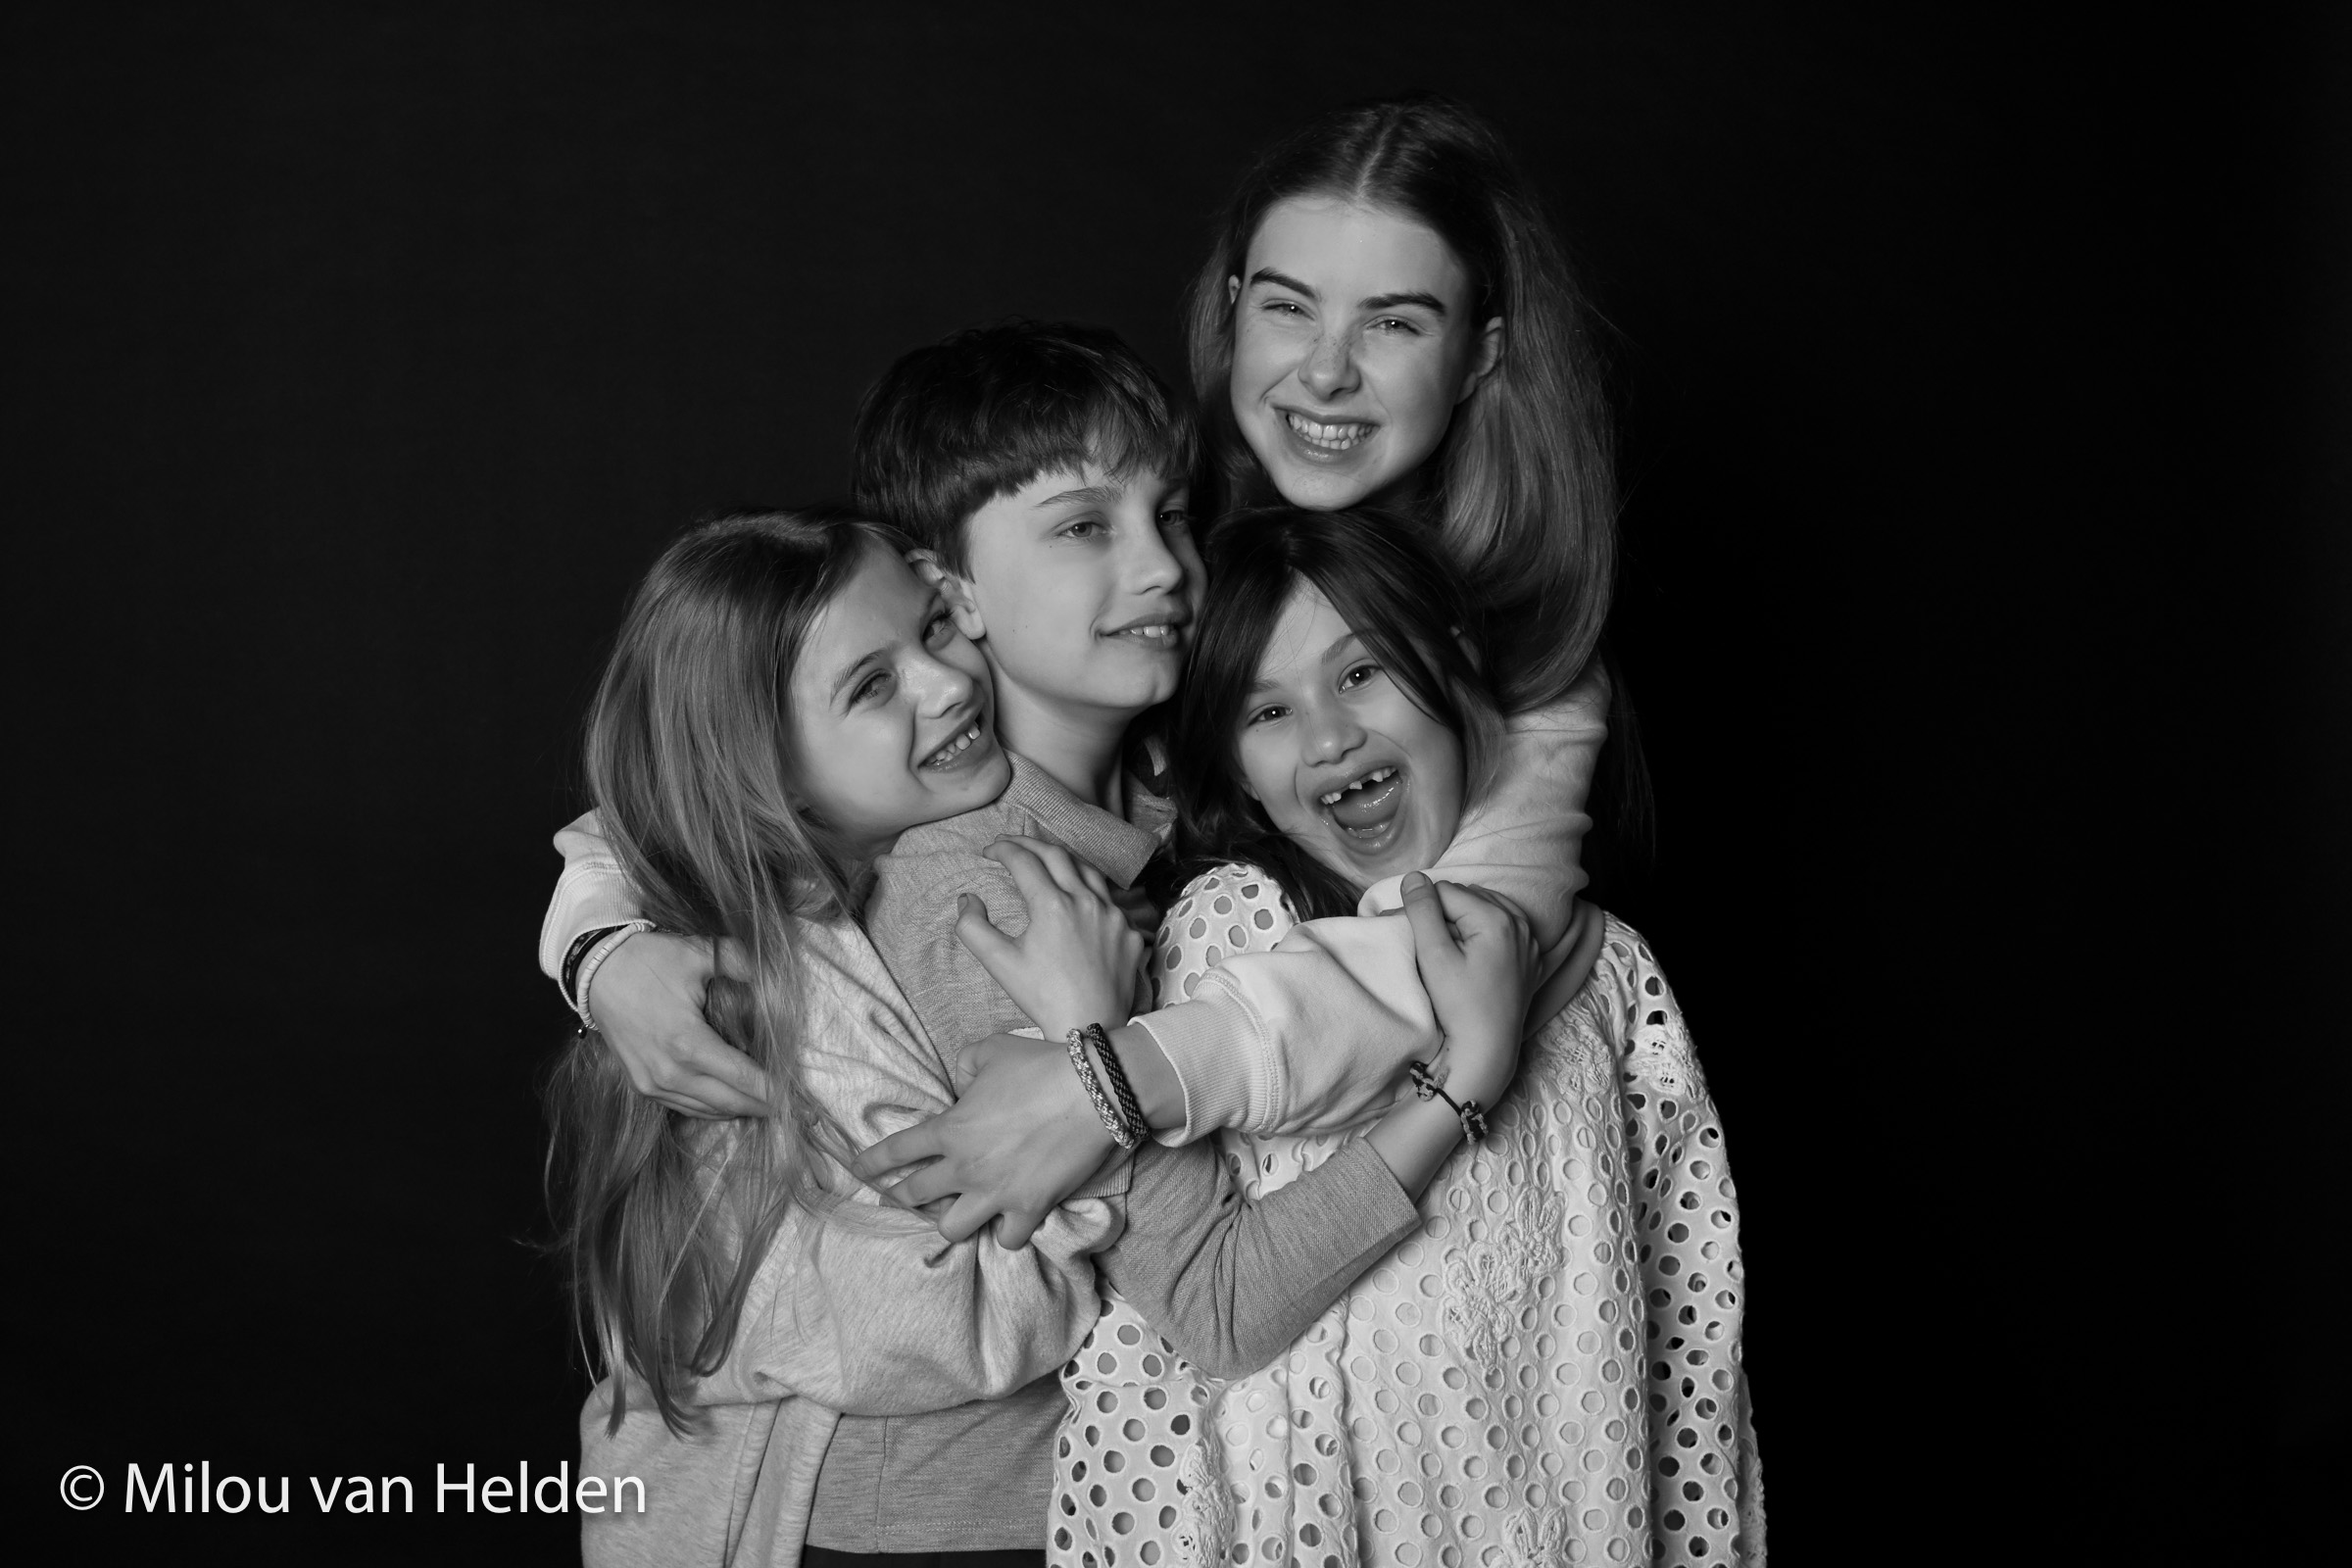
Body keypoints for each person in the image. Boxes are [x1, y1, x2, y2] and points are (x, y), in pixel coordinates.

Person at [547, 509, 1504, 1566]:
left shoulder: (1038, 833)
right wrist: (1091, 1052)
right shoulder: (901, 945)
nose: (946, 681)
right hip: (892, 1522)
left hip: (1021, 1501)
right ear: (767, 773)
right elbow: (956, 1322)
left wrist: (590, 940)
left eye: (933, 628)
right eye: (872, 686)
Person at [1033, 505, 1763, 1567]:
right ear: (1236, 772)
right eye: (1267, 710)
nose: (1329, 736)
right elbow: (1170, 1350)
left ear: (1458, 665)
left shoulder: (1609, 972)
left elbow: (1683, 1325)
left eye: (1363, 672)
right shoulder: (1238, 929)